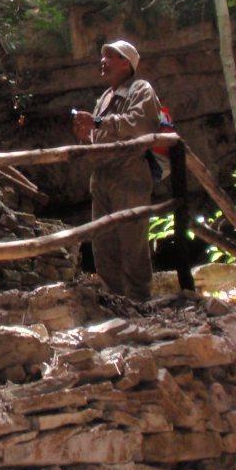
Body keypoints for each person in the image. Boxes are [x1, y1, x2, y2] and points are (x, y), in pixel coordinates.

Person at [71, 40, 161, 300]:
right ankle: (115, 301)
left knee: (133, 242)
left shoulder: (141, 89)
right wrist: (84, 134)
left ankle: (140, 302)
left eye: (110, 56)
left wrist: (97, 121)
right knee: (103, 244)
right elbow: (98, 137)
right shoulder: (104, 99)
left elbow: (140, 124)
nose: (103, 60)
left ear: (126, 62)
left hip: (129, 173)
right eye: (102, 56)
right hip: (101, 177)